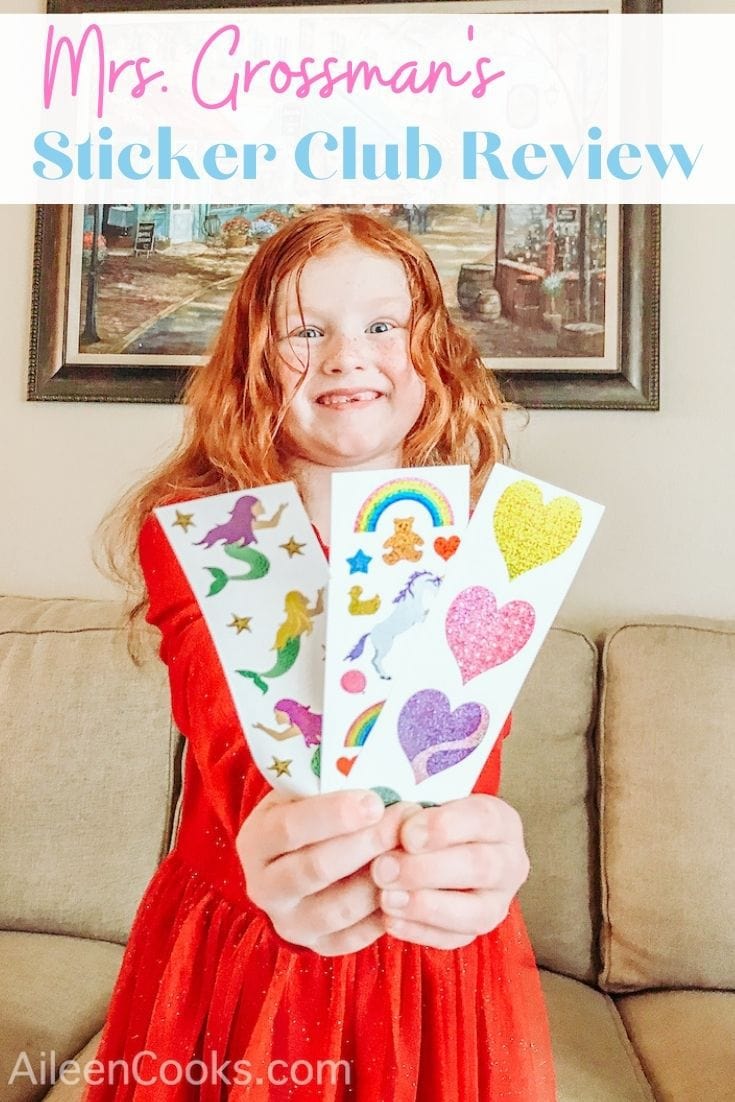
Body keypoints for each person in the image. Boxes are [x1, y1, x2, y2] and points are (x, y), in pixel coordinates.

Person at [90, 209, 556, 1101]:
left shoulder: (485, 541)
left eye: (383, 325)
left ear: (433, 354)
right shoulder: (198, 536)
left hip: (434, 950)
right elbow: (230, 736)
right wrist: (280, 832)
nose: (347, 355)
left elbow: (459, 752)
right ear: (253, 360)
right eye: (306, 330)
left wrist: (487, 849)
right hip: (244, 944)